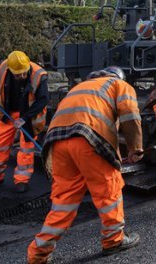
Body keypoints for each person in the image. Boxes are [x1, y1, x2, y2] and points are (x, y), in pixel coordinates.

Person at [26, 67, 143, 264]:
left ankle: (38, 252)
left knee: (64, 199)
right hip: (87, 138)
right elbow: (130, 115)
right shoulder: (119, 85)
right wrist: (135, 149)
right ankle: (113, 240)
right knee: (108, 189)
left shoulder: (80, 87)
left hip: (56, 142)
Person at [0, 50, 49, 193]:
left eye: (23, 72)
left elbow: (43, 100)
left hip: (29, 115)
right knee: (0, 145)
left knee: (26, 148)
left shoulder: (39, 75)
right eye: (17, 74)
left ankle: (21, 181)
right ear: (10, 69)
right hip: (8, 112)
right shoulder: (2, 66)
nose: (21, 76)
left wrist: (24, 118)